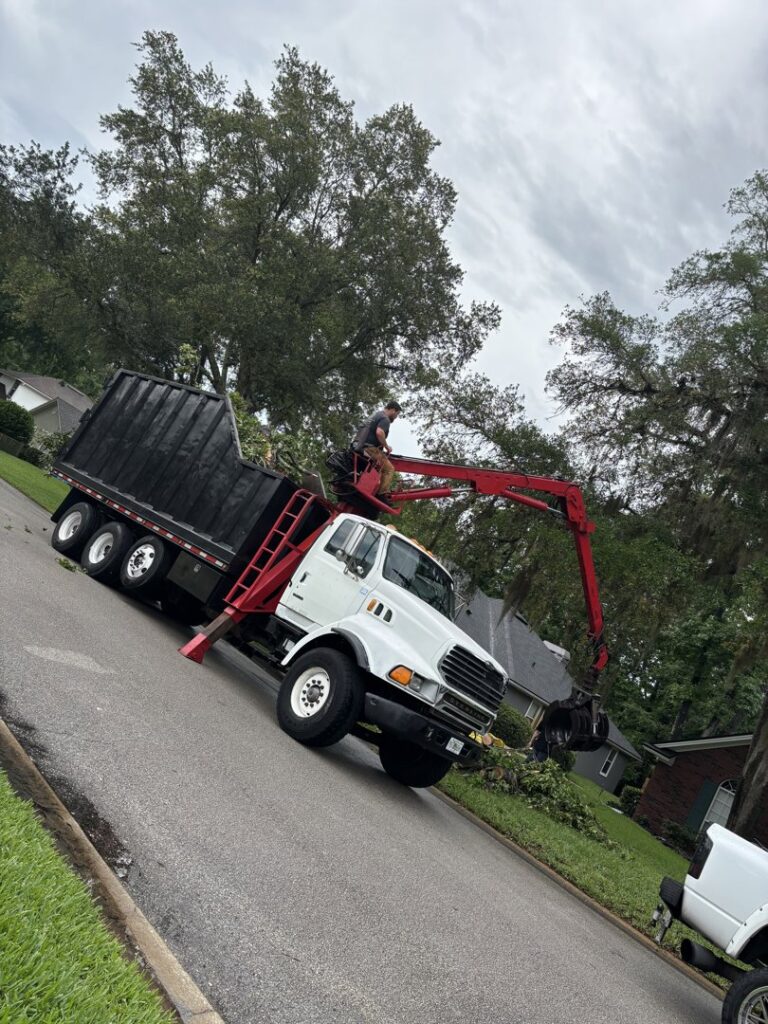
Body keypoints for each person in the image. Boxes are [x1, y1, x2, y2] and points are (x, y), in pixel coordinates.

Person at [353, 401, 401, 497]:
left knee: (378, 468)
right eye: (397, 414)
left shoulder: (375, 415)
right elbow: (379, 432)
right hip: (370, 448)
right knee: (389, 469)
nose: (396, 417)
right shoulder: (385, 419)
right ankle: (382, 494)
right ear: (393, 410)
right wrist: (387, 447)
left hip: (359, 445)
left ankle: (371, 487)